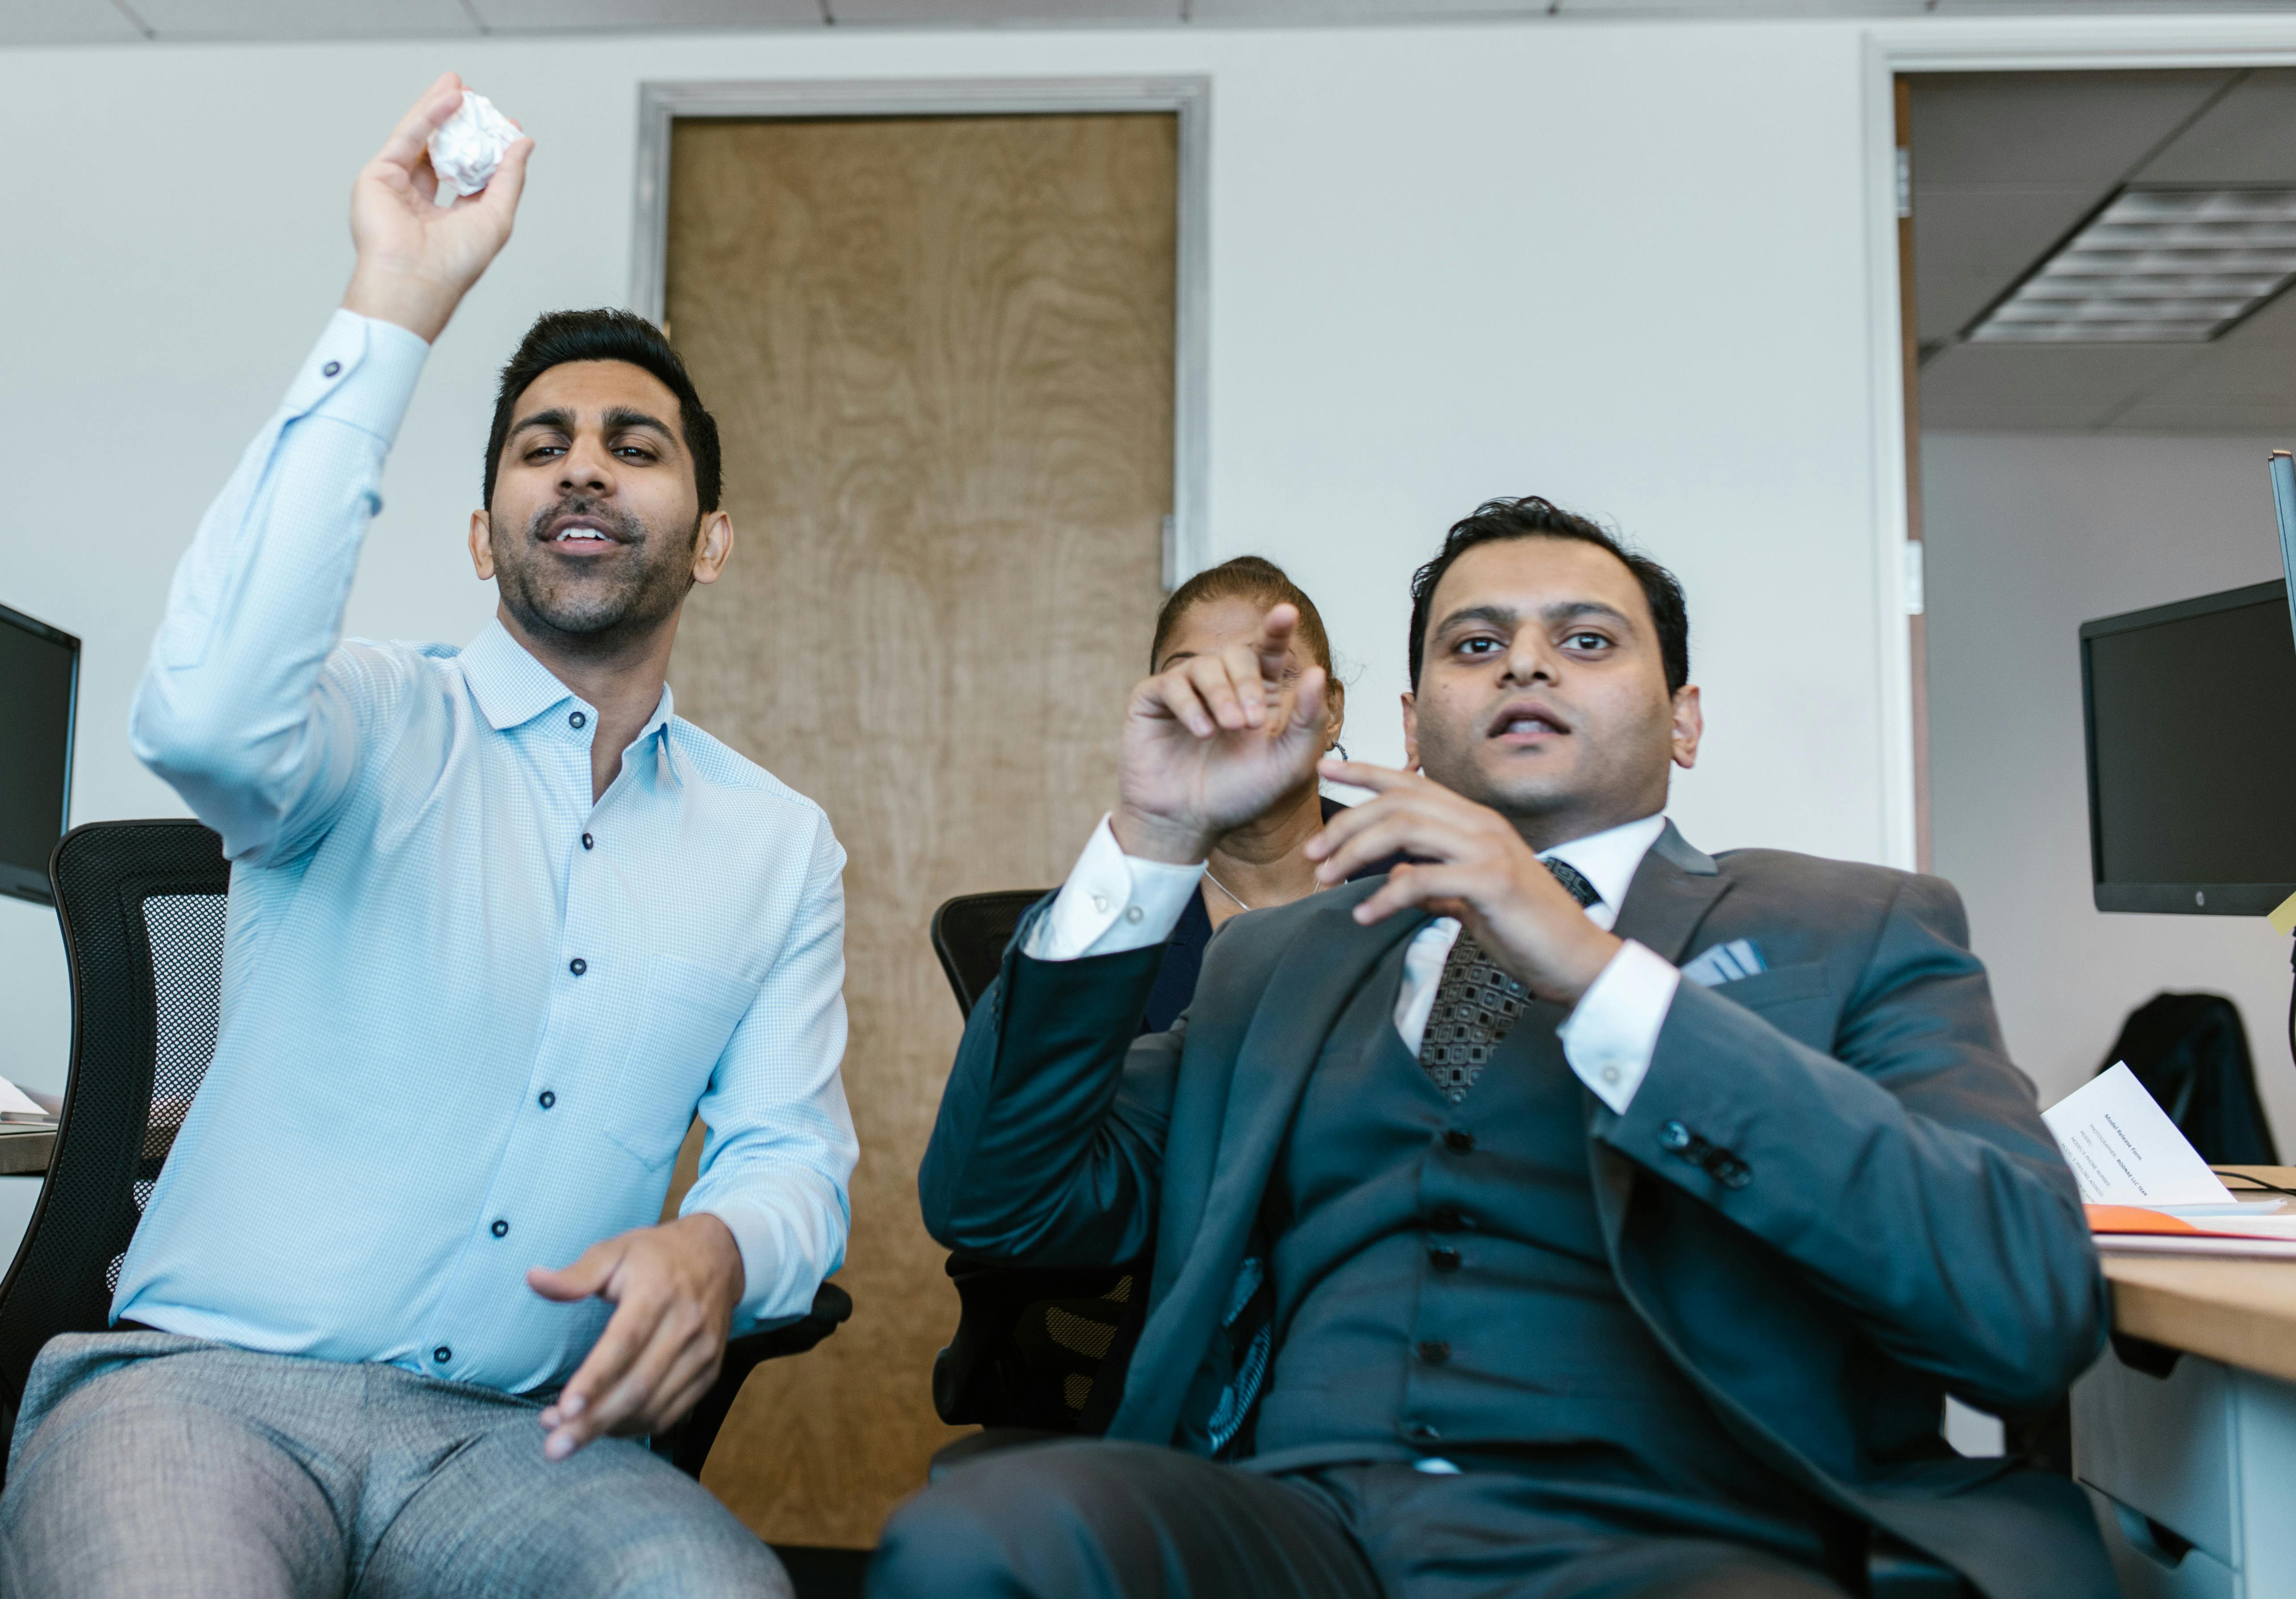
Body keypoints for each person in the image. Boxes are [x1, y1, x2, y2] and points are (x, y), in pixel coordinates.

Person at [878, 497, 2109, 1599]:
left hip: (1685, 1535)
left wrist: (1587, 965)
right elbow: (999, 1200)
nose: (1525, 660)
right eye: (1476, 644)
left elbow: (2023, 1305)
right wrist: (1153, 835)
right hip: (1303, 1527)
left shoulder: (1854, 929)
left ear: (1683, 720)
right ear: (1415, 726)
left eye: (1586, 640)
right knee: (982, 1536)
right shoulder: (1280, 966)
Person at [0, 76, 857, 1599]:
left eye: (634, 445)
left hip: (520, 1445)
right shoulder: (366, 723)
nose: (583, 464)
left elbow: (792, 1153)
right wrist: (395, 300)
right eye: (540, 445)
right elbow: (199, 715)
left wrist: (725, 1245)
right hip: (206, 1391)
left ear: (709, 536)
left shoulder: (774, 843)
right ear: (483, 533)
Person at [1138, 556, 1347, 1032]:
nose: (1232, 706)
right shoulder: (1100, 933)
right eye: (1194, 681)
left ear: (1331, 710)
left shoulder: (1437, 890)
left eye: (1267, 678)